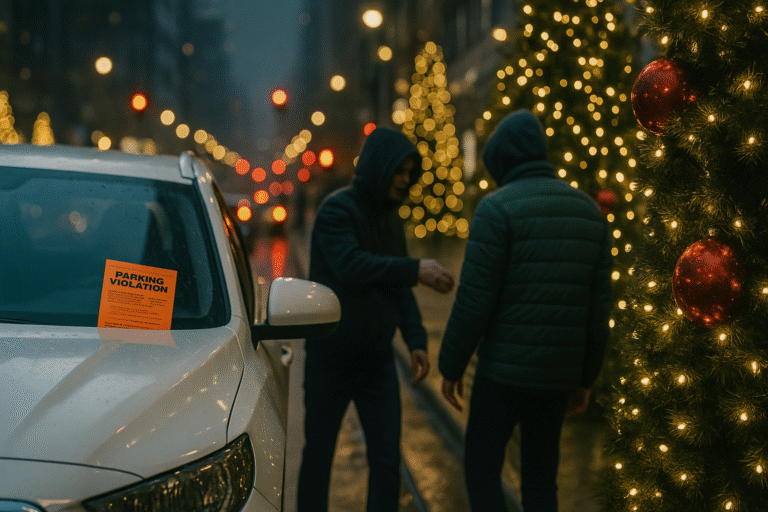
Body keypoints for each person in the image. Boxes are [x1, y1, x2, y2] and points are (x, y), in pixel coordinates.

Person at [438, 109, 613, 512]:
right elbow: (597, 312)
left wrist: (451, 365)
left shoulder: (495, 210)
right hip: (557, 376)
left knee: (482, 470)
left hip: (502, 375)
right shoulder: (591, 214)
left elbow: (474, 302)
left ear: (502, 161)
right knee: (540, 480)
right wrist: (586, 379)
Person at [297, 126, 455, 512]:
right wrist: (414, 268)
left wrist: (416, 340)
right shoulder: (337, 210)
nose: (404, 180)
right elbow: (352, 266)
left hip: (377, 363)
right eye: (398, 171)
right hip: (330, 359)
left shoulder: (392, 220)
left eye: (408, 173)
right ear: (378, 168)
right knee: (318, 458)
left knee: (386, 464)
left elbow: (397, 289)